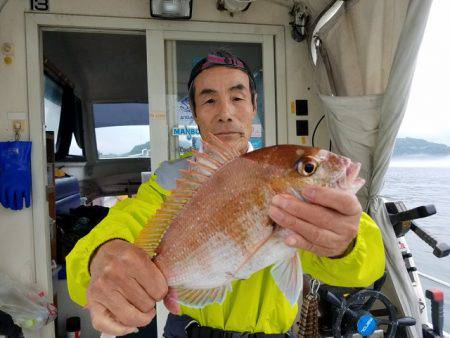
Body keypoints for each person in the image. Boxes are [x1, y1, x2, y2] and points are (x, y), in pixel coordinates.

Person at [66, 50, 385, 337]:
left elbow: (367, 266)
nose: (225, 113)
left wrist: (346, 243)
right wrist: (101, 254)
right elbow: (125, 220)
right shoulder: (171, 180)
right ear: (194, 111)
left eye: (237, 97)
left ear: (254, 106)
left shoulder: (278, 172)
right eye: (209, 100)